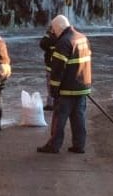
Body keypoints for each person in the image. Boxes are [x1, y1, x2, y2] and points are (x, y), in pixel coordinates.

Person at [37, 15, 92, 154]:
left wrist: (54, 90)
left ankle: (54, 145)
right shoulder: (82, 38)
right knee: (78, 117)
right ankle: (79, 145)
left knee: (59, 118)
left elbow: (57, 69)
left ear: (58, 28)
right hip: (82, 87)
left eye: (54, 30)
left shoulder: (64, 42)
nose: (53, 33)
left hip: (67, 88)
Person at [39, 25, 56, 111]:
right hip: (58, 66)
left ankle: (51, 104)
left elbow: (42, 43)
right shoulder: (63, 37)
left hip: (51, 66)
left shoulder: (50, 38)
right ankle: (53, 103)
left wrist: (48, 34)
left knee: (50, 85)